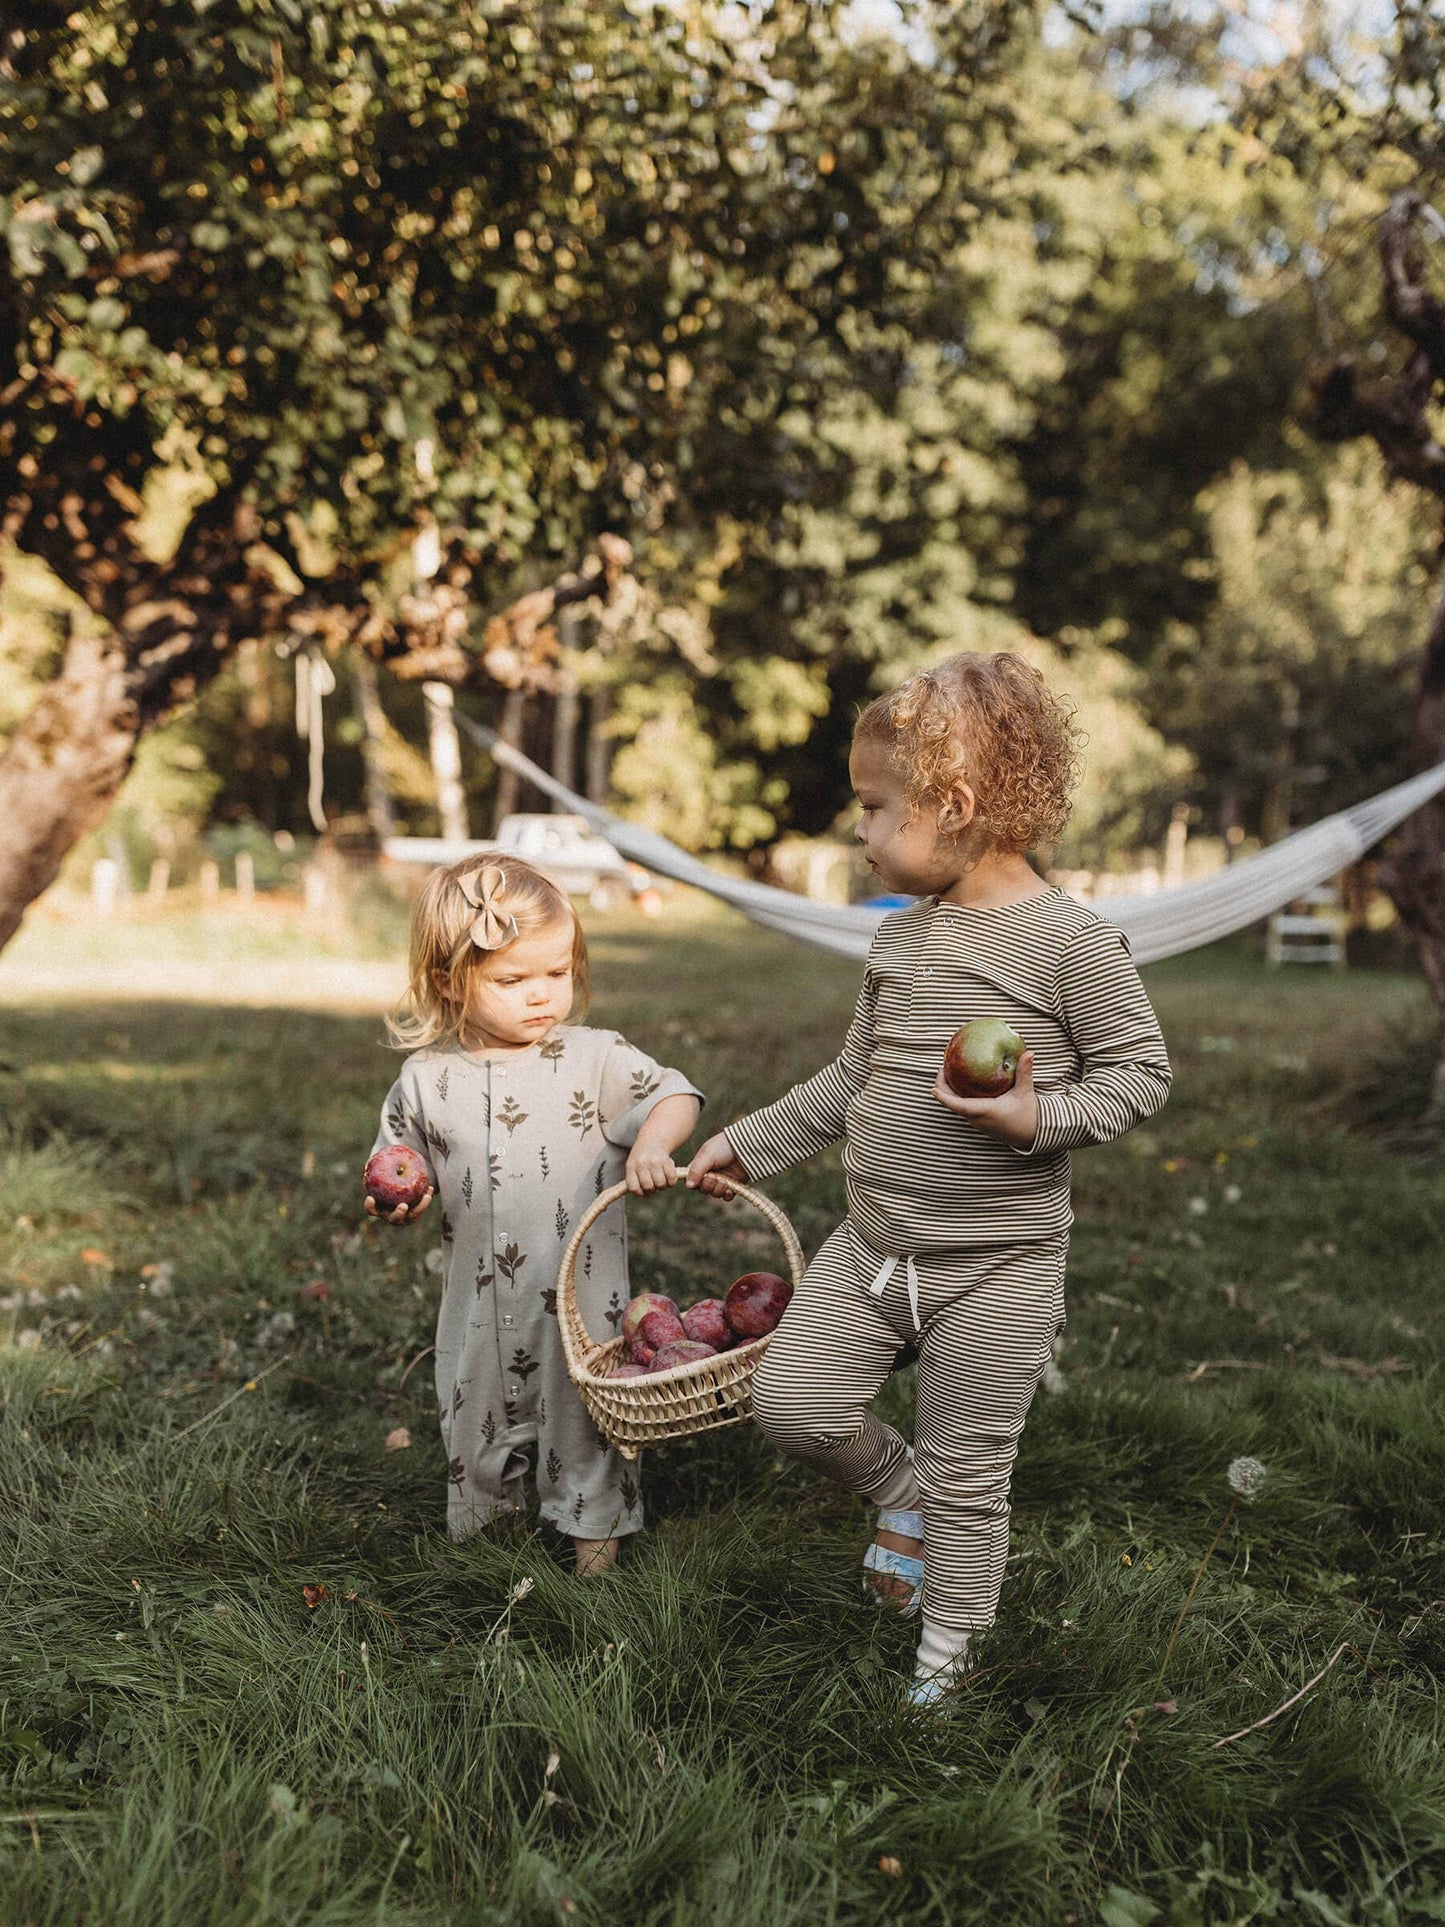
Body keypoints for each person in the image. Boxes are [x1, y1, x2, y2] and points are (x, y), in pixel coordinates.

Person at [687, 652, 1172, 1706]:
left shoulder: (1069, 944)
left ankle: (940, 1672)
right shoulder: (897, 943)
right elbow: (850, 1078)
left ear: (952, 805)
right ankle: (897, 1488)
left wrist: (1035, 1117)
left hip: (995, 1269)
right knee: (790, 1404)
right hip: (870, 1250)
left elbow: (1140, 1075)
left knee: (972, 1474)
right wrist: (748, 1141)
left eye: (872, 808)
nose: (856, 832)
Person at [368, 856, 702, 1576]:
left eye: (556, 973)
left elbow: (674, 1092)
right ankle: (493, 1564)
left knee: (585, 1425)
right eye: (512, 980)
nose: (541, 996)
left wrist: (650, 1138)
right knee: (474, 1421)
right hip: (478, 1308)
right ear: (450, 981)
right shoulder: (425, 1081)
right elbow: (397, 1162)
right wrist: (403, 1200)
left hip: (579, 1309)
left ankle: (595, 1564)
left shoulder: (593, 1058)